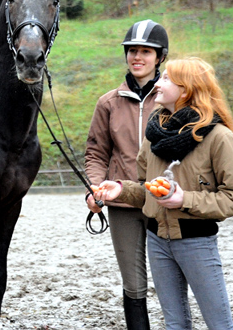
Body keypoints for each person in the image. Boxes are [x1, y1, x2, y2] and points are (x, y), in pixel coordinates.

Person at [97, 57, 233, 330]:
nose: (158, 82)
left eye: (166, 78)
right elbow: (148, 188)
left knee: (219, 325)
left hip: (196, 242)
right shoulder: (154, 135)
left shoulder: (219, 137)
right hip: (157, 240)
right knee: (175, 324)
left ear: (186, 90)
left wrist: (185, 200)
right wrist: (121, 189)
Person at [84, 19, 169, 329]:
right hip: (123, 205)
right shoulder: (108, 103)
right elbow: (96, 153)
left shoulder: (173, 100)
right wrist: (95, 189)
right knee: (133, 283)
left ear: (159, 57)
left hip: (166, 200)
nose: (137, 57)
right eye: (132, 50)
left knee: (172, 280)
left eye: (146, 52)